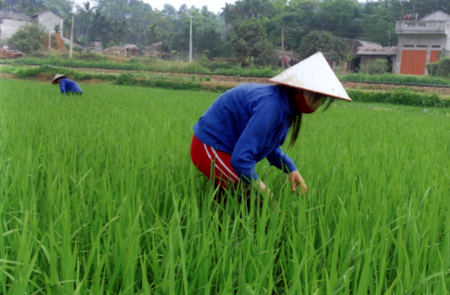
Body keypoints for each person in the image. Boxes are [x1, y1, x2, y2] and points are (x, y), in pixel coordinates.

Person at [190, 52, 352, 197]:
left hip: (227, 151)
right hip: (211, 148)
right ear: (299, 89)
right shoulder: (272, 105)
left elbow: (267, 144)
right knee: (258, 202)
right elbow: (241, 159)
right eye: (316, 95)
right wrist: (261, 189)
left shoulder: (287, 108)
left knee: (237, 203)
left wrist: (290, 168)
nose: (319, 102)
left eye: (324, 99)